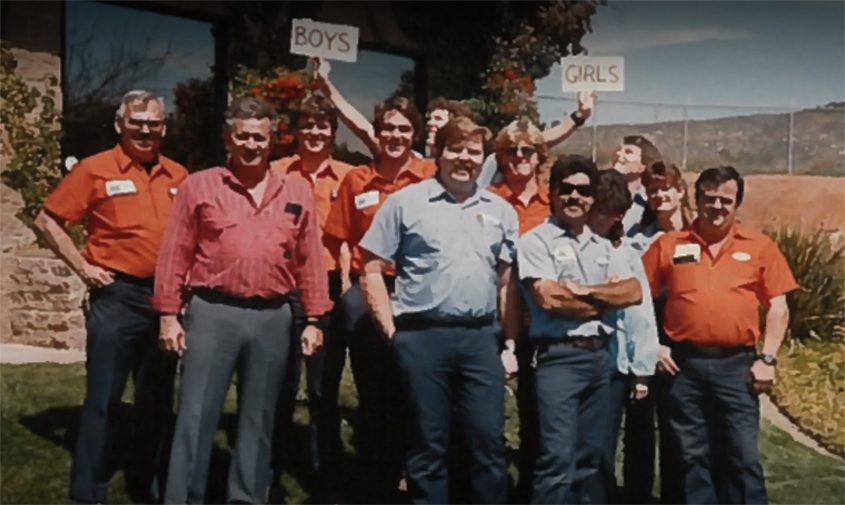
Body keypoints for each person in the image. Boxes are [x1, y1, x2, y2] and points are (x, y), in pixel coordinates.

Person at [153, 96, 332, 504]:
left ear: (272, 141)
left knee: (259, 420)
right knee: (196, 415)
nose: (252, 145)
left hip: (273, 317)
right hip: (213, 312)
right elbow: (175, 252)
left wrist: (315, 319)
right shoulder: (200, 185)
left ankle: (246, 497)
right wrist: (168, 315)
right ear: (228, 139)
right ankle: (183, 497)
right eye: (243, 136)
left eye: (260, 137)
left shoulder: (297, 189)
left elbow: (310, 260)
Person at [34, 90, 187, 504]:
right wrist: (82, 268)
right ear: (119, 125)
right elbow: (48, 219)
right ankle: (88, 490)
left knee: (156, 400)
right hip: (117, 297)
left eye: (153, 123)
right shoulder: (94, 169)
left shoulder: (179, 176)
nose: (145, 130)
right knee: (103, 398)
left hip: (165, 302)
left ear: (164, 128)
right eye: (136, 122)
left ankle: (149, 484)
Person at [358, 116, 519, 504]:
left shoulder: (502, 211)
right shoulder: (405, 203)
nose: (464, 158)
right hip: (422, 339)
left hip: (481, 341)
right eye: (456, 149)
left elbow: (505, 283)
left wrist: (510, 344)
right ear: (437, 153)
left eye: (473, 151)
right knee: (428, 446)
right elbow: (370, 267)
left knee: (487, 444)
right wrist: (393, 332)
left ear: (485, 159)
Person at [642, 166, 797, 504]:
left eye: (725, 200)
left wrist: (768, 358)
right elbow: (639, 298)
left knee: (742, 456)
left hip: (736, 368)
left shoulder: (760, 247)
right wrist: (652, 345)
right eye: (709, 199)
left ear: (737, 203)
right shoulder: (669, 245)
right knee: (690, 458)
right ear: (696, 200)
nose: (717, 207)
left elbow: (778, 305)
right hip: (683, 367)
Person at [322, 93, 436, 502]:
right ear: (377, 131)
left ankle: (413, 467)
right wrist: (346, 288)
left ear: (415, 133)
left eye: (404, 129)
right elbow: (339, 236)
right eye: (388, 127)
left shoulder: (430, 175)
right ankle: (376, 474)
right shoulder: (356, 179)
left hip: (417, 290)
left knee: (414, 383)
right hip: (369, 286)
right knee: (373, 387)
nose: (395, 135)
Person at [517, 155, 642, 504]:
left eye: (583, 191)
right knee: (556, 459)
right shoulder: (535, 241)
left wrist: (583, 291)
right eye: (567, 189)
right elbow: (549, 299)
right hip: (559, 359)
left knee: (592, 460)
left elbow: (633, 291)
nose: (575, 197)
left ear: (592, 197)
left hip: (600, 360)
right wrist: (605, 300)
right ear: (553, 192)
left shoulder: (604, 245)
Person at [314, 56, 595, 188]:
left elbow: (535, 141)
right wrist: (327, 89)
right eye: (430, 119)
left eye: (441, 120)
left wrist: (579, 116)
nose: (434, 124)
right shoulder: (406, 157)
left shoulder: (475, 160)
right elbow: (361, 127)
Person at [268, 91, 354, 498]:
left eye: (323, 125)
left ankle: (324, 473)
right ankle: (271, 465)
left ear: (333, 133)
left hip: (330, 287)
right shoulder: (277, 173)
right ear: (296, 131)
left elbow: (352, 237)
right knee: (280, 382)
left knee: (323, 387)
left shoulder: (349, 177)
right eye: (308, 125)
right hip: (284, 286)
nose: (315, 132)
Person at [484, 117, 552, 501]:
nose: (520, 157)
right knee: (485, 414)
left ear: (539, 156)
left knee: (536, 414)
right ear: (501, 156)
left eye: (527, 150)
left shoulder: (553, 202)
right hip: (489, 318)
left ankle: (528, 489)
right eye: (512, 151)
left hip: (539, 321)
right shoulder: (487, 201)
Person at [585, 169, 659, 503]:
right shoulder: (563, 243)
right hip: (567, 359)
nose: (607, 219)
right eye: (602, 211)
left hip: (612, 365)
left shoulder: (625, 253)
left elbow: (640, 315)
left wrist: (641, 369)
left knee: (600, 448)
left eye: (616, 213)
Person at [625, 159, 695, 504]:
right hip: (646, 339)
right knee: (639, 425)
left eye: (665, 187)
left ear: (681, 191)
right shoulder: (637, 237)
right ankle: (636, 495)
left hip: (685, 343)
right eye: (652, 190)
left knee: (679, 430)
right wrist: (652, 345)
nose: (659, 195)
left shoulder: (700, 233)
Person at [609, 135, 663, 235]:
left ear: (643, 165)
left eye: (628, 152)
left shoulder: (652, 202)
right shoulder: (598, 193)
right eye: (619, 150)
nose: (618, 154)